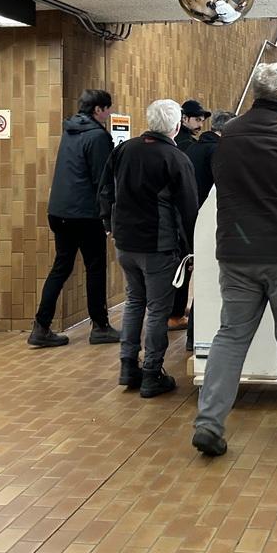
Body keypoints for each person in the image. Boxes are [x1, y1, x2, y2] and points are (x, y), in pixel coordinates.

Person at [192, 63, 277, 457]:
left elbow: (220, 181)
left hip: (236, 252)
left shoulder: (227, 135)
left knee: (231, 336)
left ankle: (209, 422)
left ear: (254, 94)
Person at [99, 99, 199, 398]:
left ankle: (128, 366)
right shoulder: (175, 157)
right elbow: (188, 208)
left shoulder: (124, 150)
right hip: (158, 245)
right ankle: (152, 373)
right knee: (157, 309)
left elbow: (106, 189)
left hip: (125, 242)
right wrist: (192, 248)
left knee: (134, 302)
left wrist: (109, 224)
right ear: (177, 126)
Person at [29, 89, 118, 348]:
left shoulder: (69, 132)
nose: (109, 113)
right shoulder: (97, 136)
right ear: (98, 109)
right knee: (95, 267)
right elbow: (102, 181)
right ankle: (100, 326)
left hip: (59, 212)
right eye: (108, 109)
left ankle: (41, 326)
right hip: (85, 214)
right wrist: (108, 217)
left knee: (61, 267)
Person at [171, 110, 235, 339]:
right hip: (207, 218)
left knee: (191, 268)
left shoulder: (194, 147)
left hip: (186, 215)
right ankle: (193, 330)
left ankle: (182, 318)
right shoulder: (217, 151)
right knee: (207, 273)